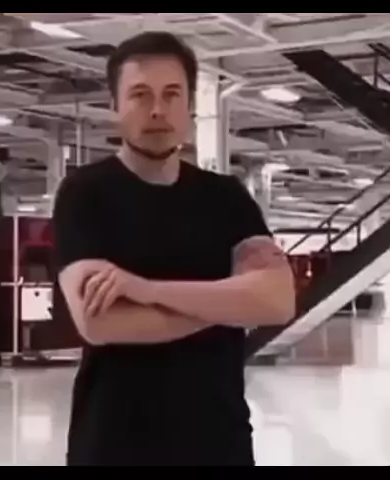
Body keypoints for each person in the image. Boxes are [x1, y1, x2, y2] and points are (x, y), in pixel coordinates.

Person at [53, 31, 296, 466]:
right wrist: (230, 305)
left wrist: (147, 290)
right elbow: (101, 322)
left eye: (172, 94)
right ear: (114, 105)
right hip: (114, 447)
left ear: (189, 105)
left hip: (220, 442)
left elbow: (278, 302)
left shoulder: (227, 197)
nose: (157, 109)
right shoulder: (84, 194)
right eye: (140, 95)